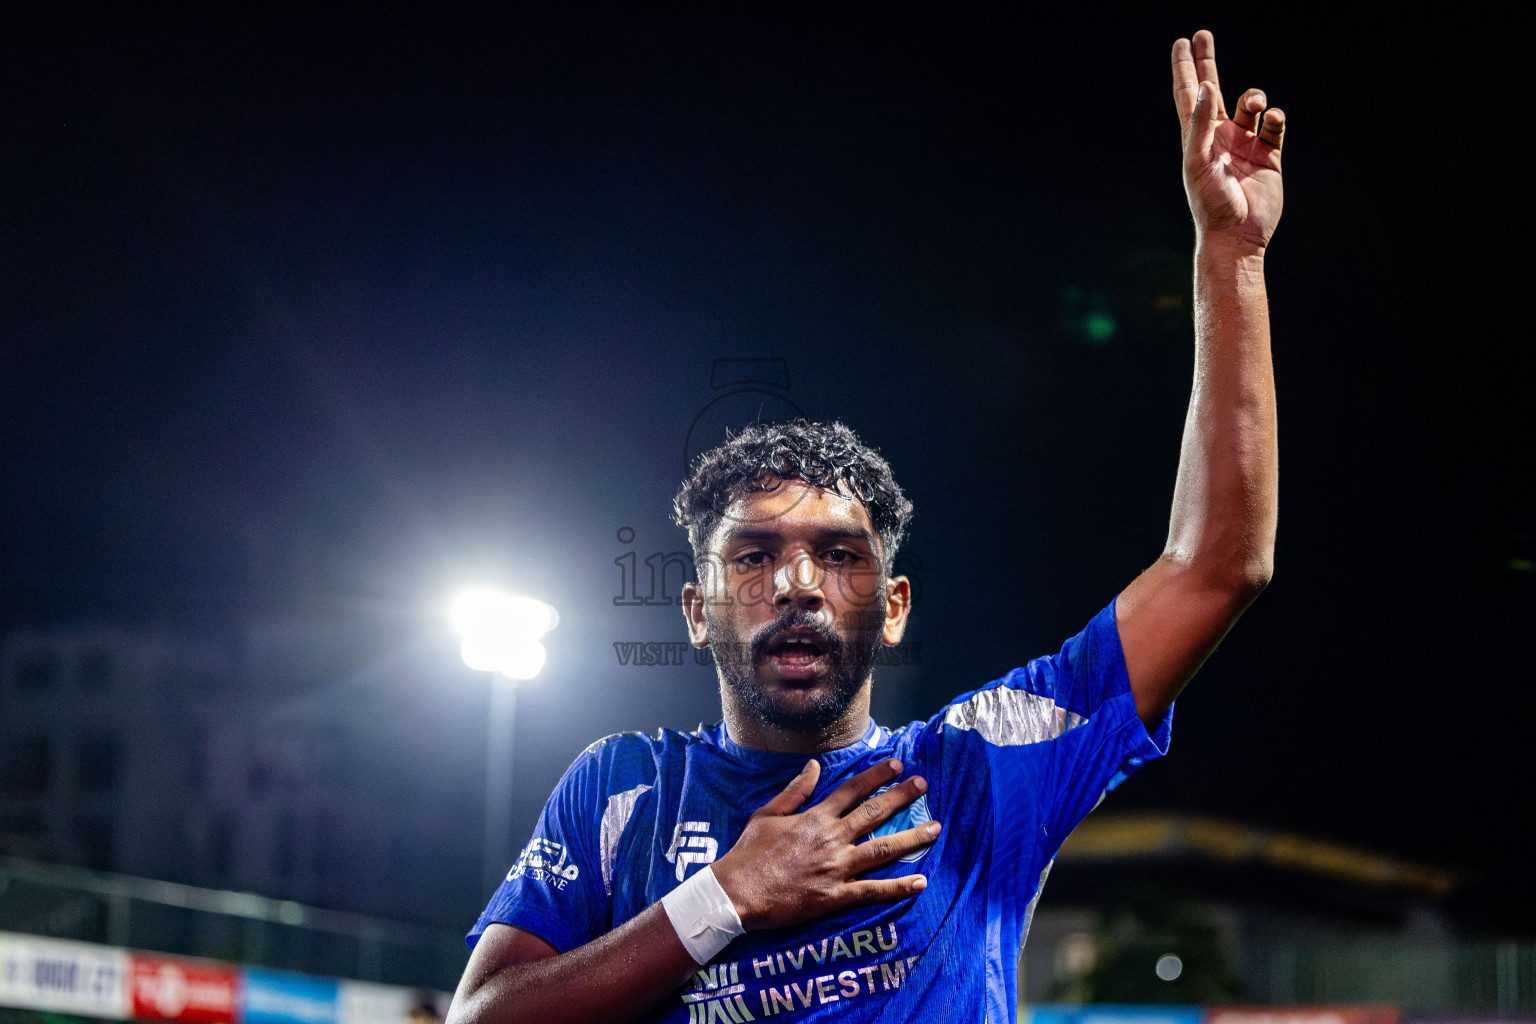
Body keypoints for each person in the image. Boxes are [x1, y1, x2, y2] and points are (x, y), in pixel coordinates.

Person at [447, 29, 1284, 1024]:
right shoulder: (621, 787)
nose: (797, 584)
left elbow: (1217, 566)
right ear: (693, 607)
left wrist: (1230, 258)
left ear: (892, 609)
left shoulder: (978, 771)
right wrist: (721, 900)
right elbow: (479, 1017)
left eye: (839, 558)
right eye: (753, 556)